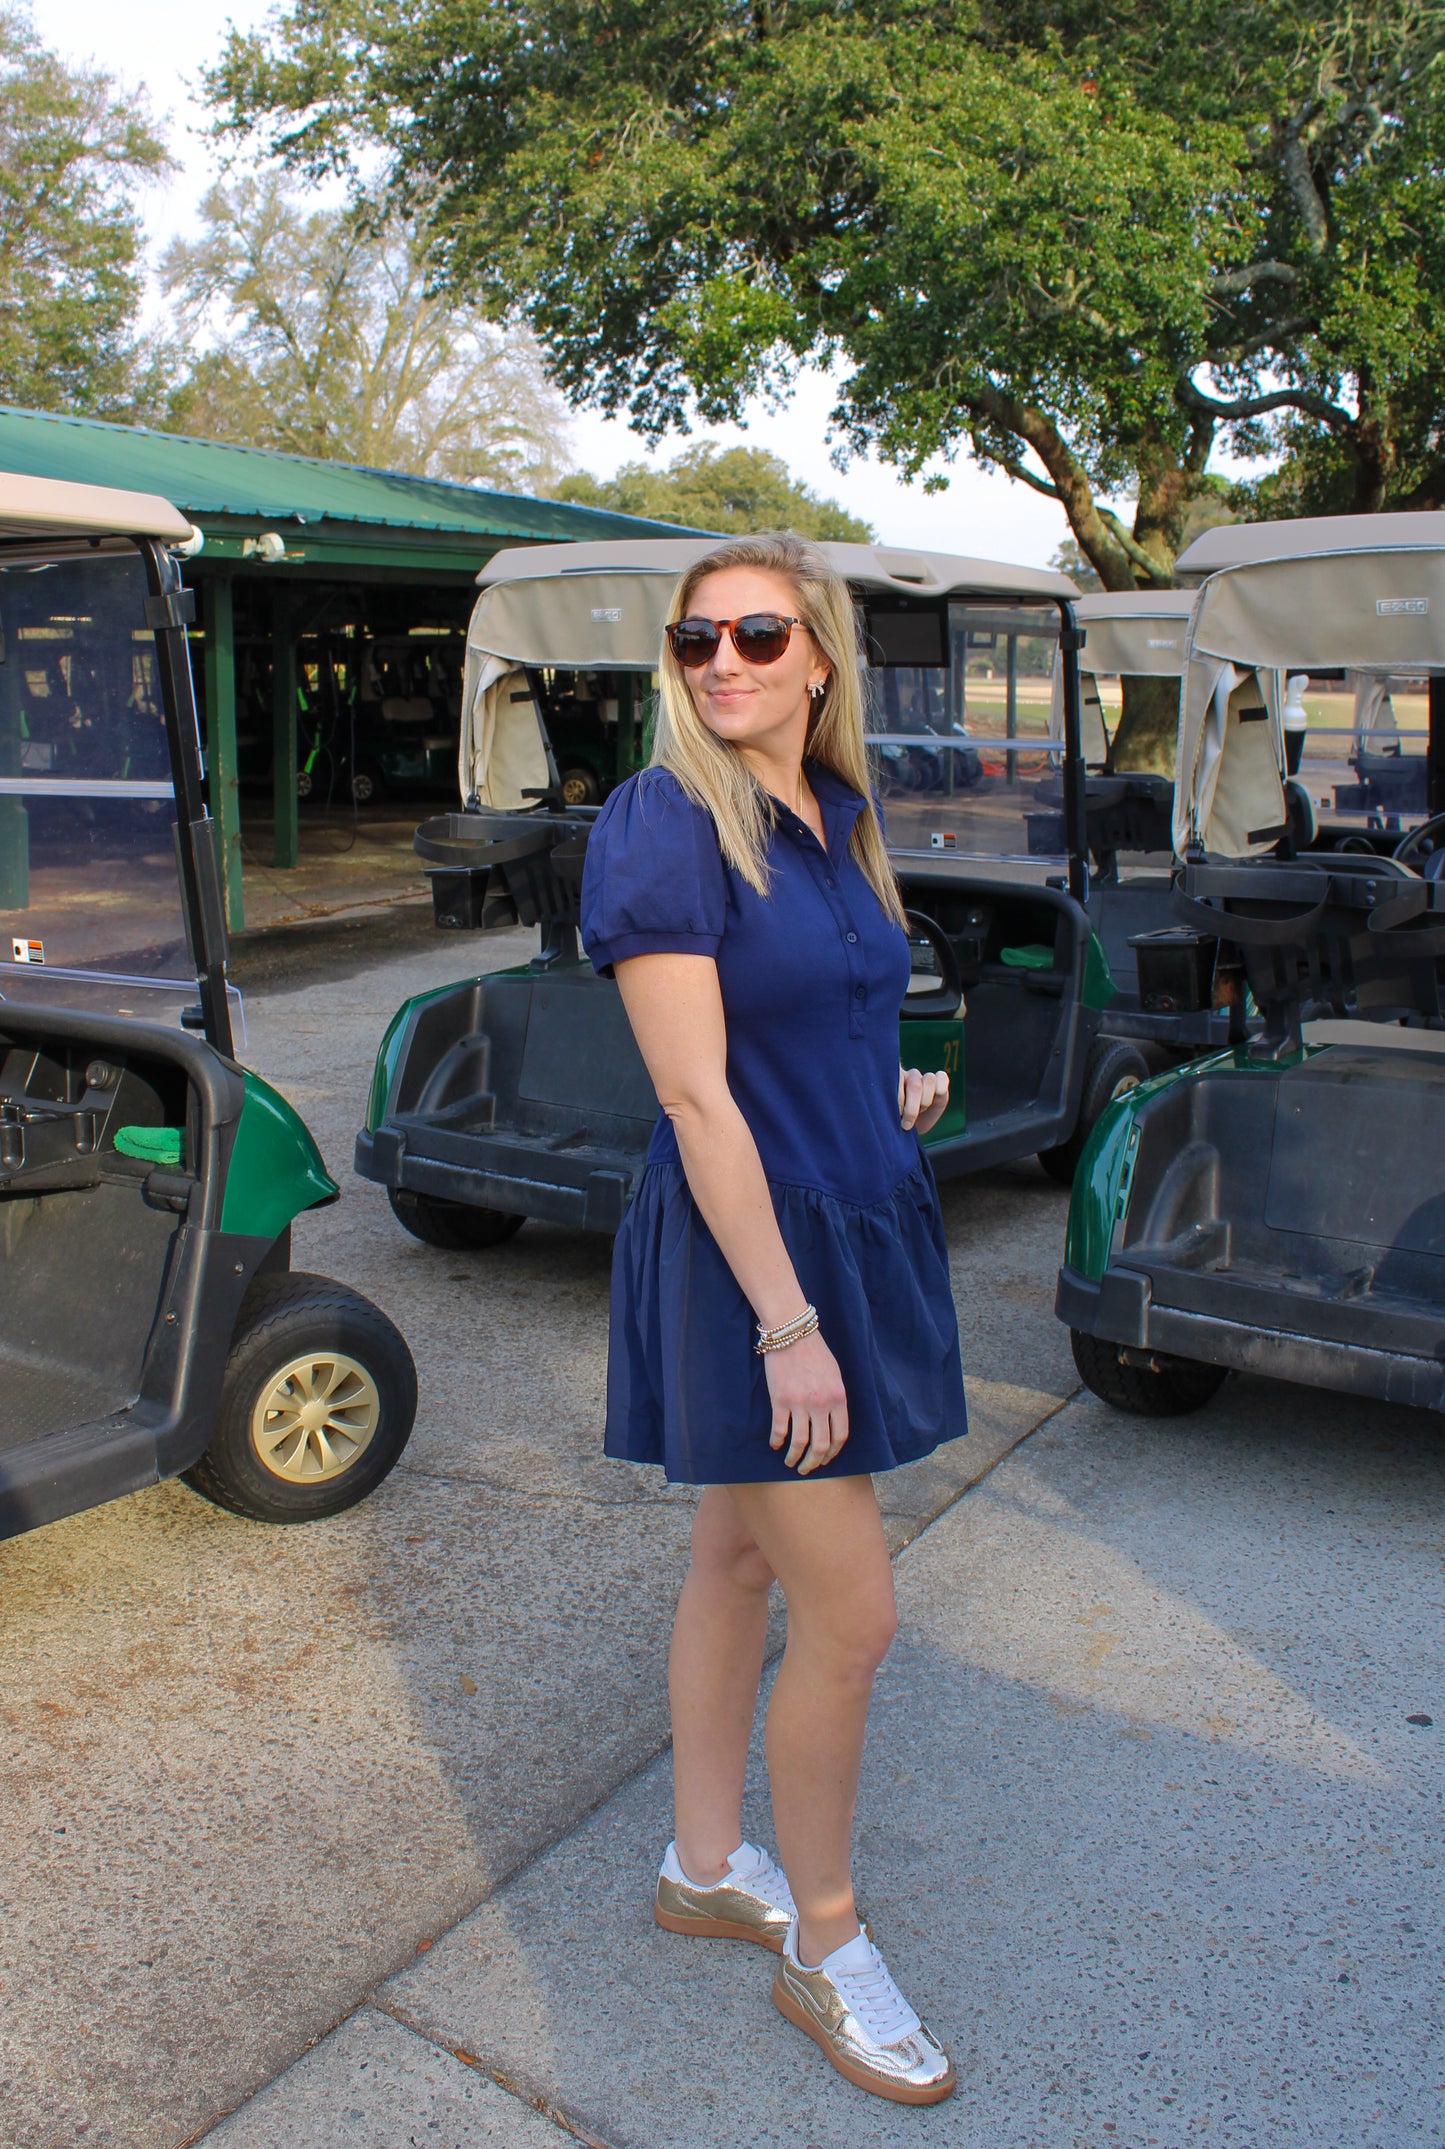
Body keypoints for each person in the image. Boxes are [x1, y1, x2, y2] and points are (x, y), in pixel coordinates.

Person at [580, 532, 967, 2106]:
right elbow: (687, 1089)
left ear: (820, 656)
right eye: (695, 641)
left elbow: (809, 1021)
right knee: (855, 1616)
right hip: (761, 1261)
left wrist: (884, 1087)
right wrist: (783, 1322)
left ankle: (699, 1862)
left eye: (757, 634)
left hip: (844, 1208)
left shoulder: (836, 814)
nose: (723, 663)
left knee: (736, 1554)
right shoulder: (664, 822)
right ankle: (822, 1935)